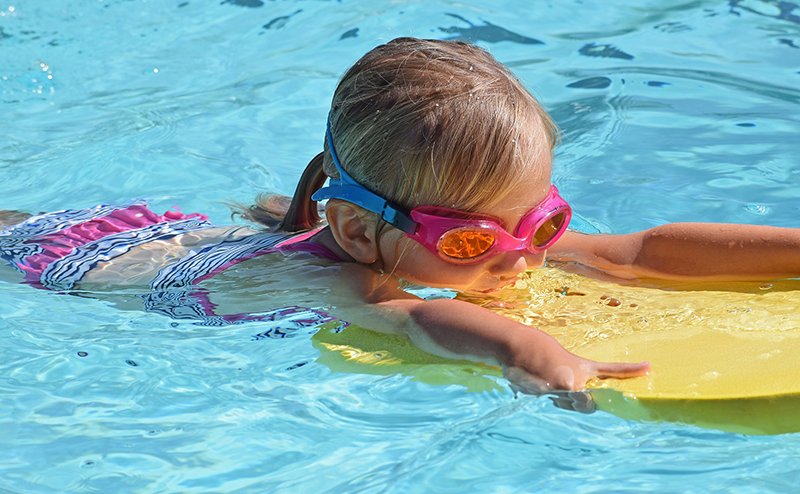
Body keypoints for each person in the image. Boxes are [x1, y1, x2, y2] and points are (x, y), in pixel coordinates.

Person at [2, 37, 799, 395]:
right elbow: (416, 324)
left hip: (186, 235)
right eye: (470, 240)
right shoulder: (349, 282)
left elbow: (641, 253)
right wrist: (535, 354)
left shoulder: (498, 243)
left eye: (543, 224)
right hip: (81, 263)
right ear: (358, 234)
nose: (522, 259)